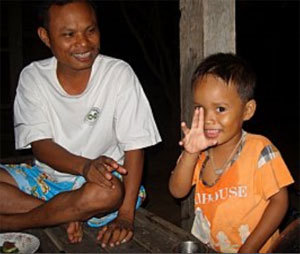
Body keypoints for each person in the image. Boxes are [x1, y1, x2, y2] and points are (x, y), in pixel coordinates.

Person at [0, 0, 161, 248]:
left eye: (90, 30)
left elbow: (135, 146)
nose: (83, 43)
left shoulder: (118, 74)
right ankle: (62, 214)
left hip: (102, 186)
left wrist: (126, 215)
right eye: (68, 34)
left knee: (107, 192)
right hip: (47, 180)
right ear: (45, 36)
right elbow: (41, 146)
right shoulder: (33, 77)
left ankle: (16, 222)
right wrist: (85, 166)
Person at [169, 53, 294, 253]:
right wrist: (190, 153)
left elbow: (280, 202)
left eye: (220, 109)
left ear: (247, 110)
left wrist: (249, 248)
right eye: (200, 108)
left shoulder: (259, 149)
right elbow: (177, 191)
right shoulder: (198, 152)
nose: (209, 119)